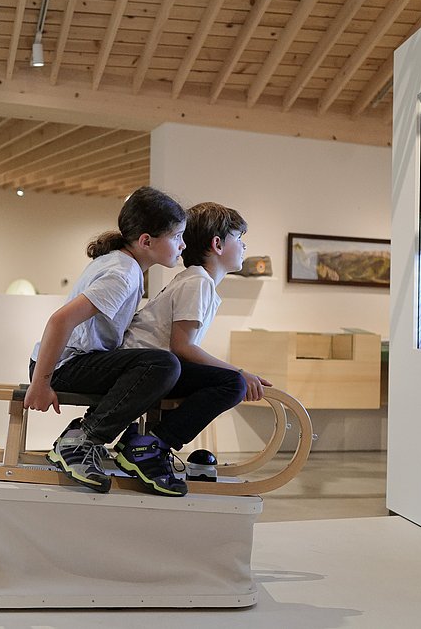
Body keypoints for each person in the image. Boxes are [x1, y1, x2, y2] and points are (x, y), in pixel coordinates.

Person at [24, 186, 188, 496]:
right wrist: (41, 383)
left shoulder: (125, 266)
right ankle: (82, 440)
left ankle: (90, 437)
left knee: (159, 363)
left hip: (69, 361)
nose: (182, 244)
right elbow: (60, 321)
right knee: (163, 364)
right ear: (146, 241)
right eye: (177, 236)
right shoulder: (122, 273)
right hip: (62, 365)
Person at [120, 202, 271, 471]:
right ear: (218, 244)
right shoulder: (198, 282)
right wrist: (240, 372)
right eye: (239, 238)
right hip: (142, 367)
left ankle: (146, 442)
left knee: (222, 380)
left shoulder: (196, 280)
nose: (245, 247)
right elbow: (183, 347)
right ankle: (151, 445)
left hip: (148, 364)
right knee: (233, 384)